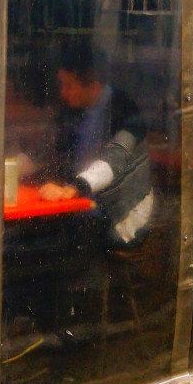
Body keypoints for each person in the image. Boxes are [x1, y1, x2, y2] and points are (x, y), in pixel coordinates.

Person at [36, 43, 155, 248]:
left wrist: (74, 188)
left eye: (69, 86)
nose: (63, 92)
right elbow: (45, 151)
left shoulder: (125, 109)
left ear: (93, 85)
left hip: (126, 218)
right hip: (86, 210)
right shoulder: (72, 110)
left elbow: (114, 159)